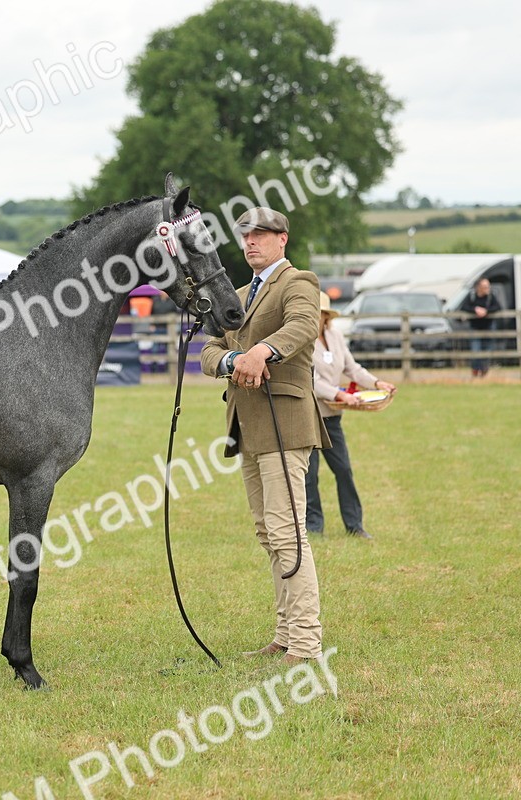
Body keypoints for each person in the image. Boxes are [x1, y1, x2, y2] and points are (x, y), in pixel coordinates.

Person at [201, 207, 331, 667]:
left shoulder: (300, 282)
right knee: (268, 533)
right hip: (247, 425)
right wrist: (230, 362)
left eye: (262, 233)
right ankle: (285, 634)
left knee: (287, 531)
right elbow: (211, 346)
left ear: (283, 239)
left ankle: (307, 644)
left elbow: (300, 326)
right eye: (246, 234)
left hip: (285, 422)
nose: (252, 241)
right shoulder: (237, 295)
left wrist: (260, 350)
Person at [306, 294, 397, 540]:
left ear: (327, 317)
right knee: (310, 474)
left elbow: (352, 368)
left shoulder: (335, 337)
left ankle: (354, 525)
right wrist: (339, 394)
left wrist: (377, 382)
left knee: (344, 469)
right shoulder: (301, 340)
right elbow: (309, 379)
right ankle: (313, 527)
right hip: (308, 416)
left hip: (332, 416)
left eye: (320, 313)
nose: (316, 317)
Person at [458, 278, 501, 377]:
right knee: (475, 350)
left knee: (487, 349)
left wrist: (486, 311)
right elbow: (464, 307)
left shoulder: (491, 296)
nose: (487, 289)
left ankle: (484, 371)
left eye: (488, 286)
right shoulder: (472, 296)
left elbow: (497, 307)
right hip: (475, 327)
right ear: (479, 287)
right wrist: (475, 310)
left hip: (488, 326)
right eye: (485, 287)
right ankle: (475, 370)